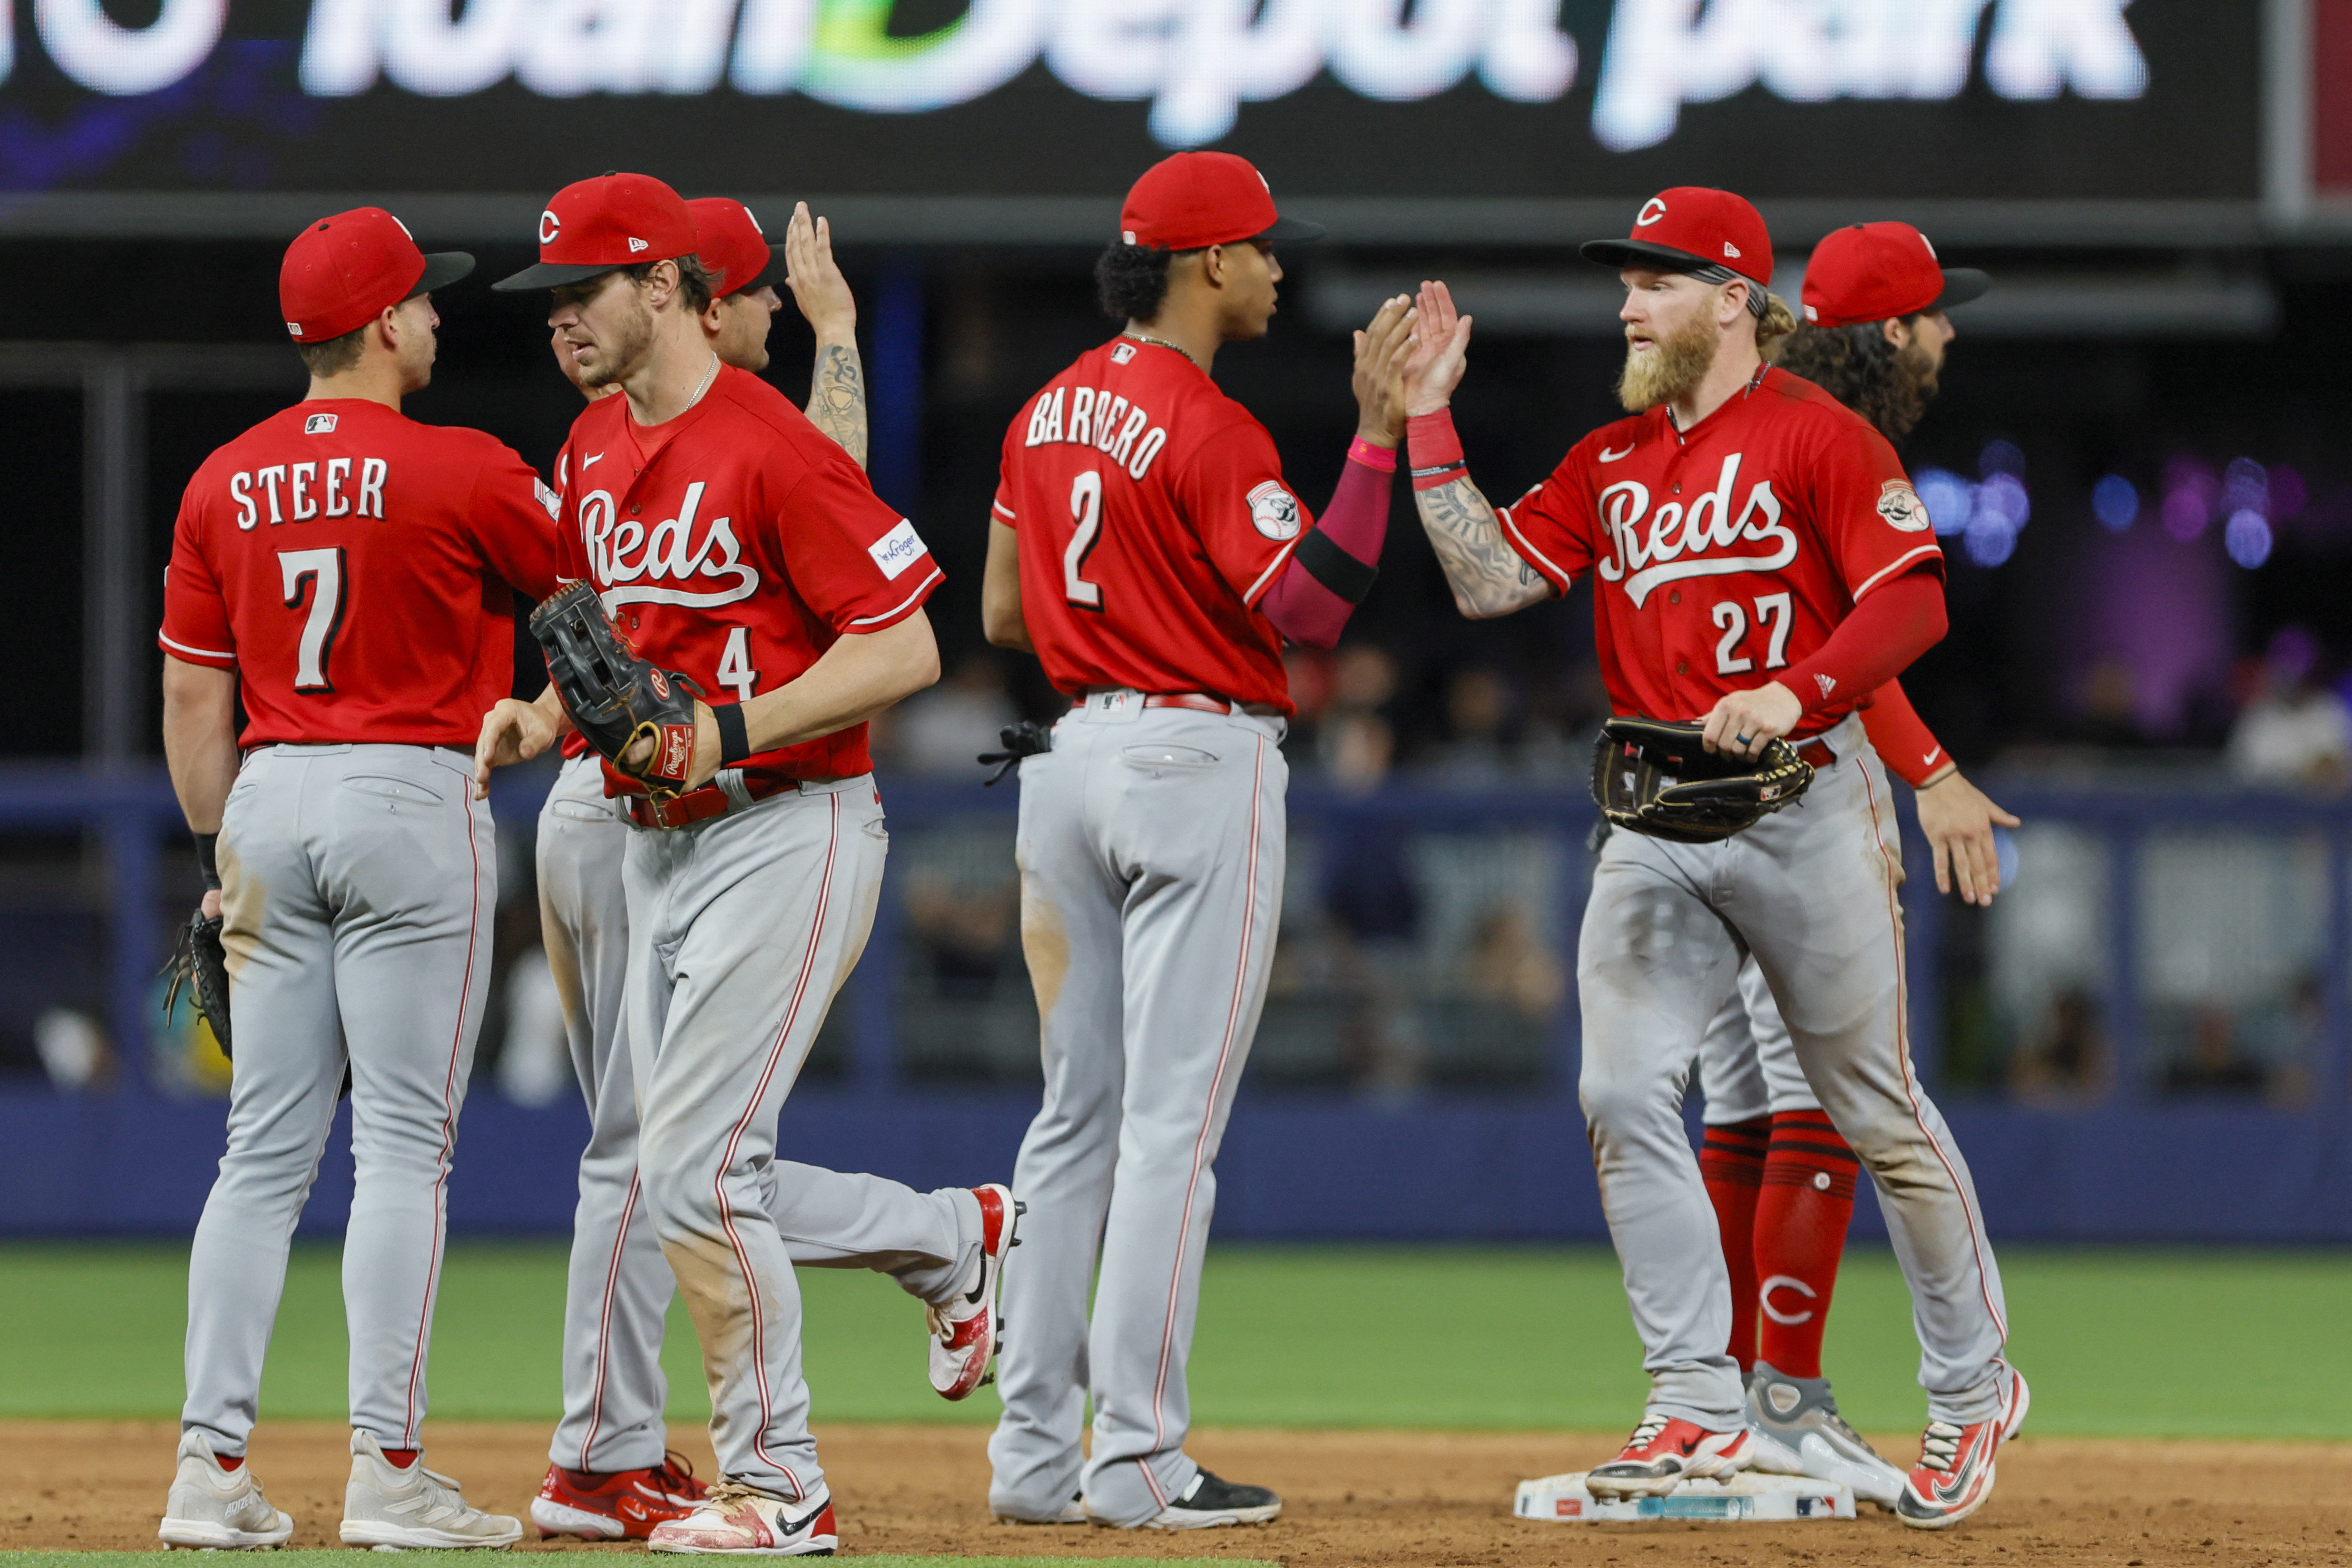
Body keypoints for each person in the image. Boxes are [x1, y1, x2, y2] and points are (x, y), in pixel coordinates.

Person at [1401, 187, 2024, 1529]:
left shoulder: (1820, 436)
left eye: (1659, 282)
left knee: (1874, 1108)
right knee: (1620, 1089)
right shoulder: (1609, 460)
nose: (1629, 304)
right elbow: (1490, 579)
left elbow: (1911, 597)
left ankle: (1972, 1384)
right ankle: (1698, 1393)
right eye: (1627, 282)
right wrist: (1426, 422)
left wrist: (1798, 693)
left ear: (1735, 302)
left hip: (1804, 805)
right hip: (1655, 816)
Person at [475, 171, 993, 1556]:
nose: (557, 323)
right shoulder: (592, 445)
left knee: (700, 1170)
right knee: (671, 1167)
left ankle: (782, 1485)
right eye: (547, 303)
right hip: (656, 842)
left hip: (789, 822)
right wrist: (538, 712)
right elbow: (606, 644)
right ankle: (952, 1242)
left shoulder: (770, 446)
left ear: (660, 287)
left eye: (579, 295)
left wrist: (725, 730)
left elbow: (906, 645)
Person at [980, 150, 1410, 1530]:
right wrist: (1376, 438)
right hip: (1190, 757)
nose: (1279, 266)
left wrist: (1112, 624)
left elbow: (1000, 615)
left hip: (1067, 759)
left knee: (1071, 1122)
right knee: (1171, 1129)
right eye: (1262, 248)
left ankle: (1035, 1458)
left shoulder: (1044, 411)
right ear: (1205, 264)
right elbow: (1313, 607)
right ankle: (1141, 1456)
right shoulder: (1211, 424)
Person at [156, 207, 559, 1551]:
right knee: (401, 1148)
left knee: (260, 1155)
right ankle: (388, 1471)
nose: (439, 318)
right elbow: (602, 603)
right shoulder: (462, 466)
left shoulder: (221, 480)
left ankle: (207, 1472)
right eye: (426, 302)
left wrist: (223, 861)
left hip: (266, 803)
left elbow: (189, 697)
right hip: (407, 795)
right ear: (383, 322)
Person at [1693, 219, 2020, 1507]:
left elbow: (1833, 642)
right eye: (1936, 316)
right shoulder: (1817, 436)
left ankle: (1772, 1391)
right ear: (1889, 331)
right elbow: (1853, 640)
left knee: (1795, 1093)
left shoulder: (1753, 423)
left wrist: (1921, 763)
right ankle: (1765, 1395)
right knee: (1796, 1096)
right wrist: (1928, 769)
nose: (1945, 335)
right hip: (1754, 799)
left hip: (1744, 795)